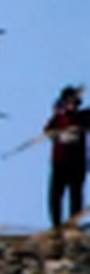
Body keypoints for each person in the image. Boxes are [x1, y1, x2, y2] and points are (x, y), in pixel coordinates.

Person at [49, 86, 86, 229]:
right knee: (55, 196)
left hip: (76, 163)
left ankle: (73, 224)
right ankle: (56, 225)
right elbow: (49, 132)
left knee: (75, 195)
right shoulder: (58, 119)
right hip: (59, 162)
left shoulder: (82, 117)